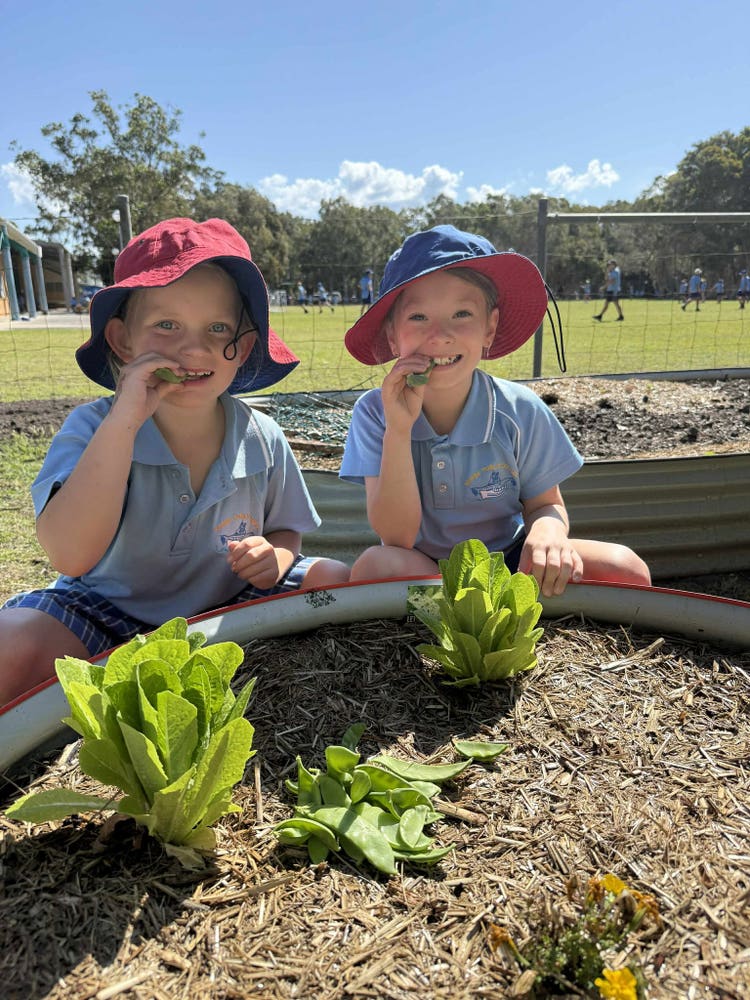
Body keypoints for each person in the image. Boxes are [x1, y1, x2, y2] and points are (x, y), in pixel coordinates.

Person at [0, 217, 350, 706]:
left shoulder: (262, 436)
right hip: (105, 615)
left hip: (229, 608)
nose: (194, 348)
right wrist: (124, 422)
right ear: (123, 341)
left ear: (243, 347)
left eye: (217, 328)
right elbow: (70, 556)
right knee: (12, 644)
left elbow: (286, 531)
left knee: (334, 578)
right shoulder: (91, 428)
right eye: (167, 325)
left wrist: (276, 559)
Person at [339, 225, 651, 597]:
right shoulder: (374, 413)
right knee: (375, 566)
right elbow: (396, 536)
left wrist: (548, 535)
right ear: (392, 335)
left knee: (628, 569)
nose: (440, 335)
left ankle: (492, 606)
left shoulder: (519, 409)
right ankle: (463, 612)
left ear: (490, 328)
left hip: (512, 562)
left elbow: (546, 504)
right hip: (426, 568)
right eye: (419, 317)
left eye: (462, 314)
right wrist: (399, 429)